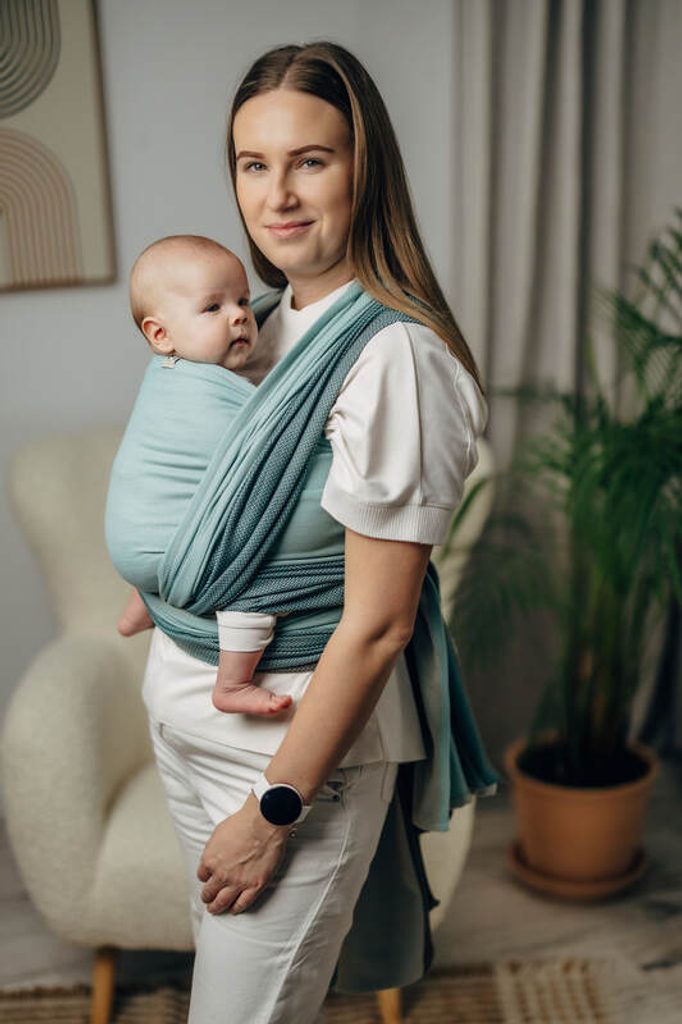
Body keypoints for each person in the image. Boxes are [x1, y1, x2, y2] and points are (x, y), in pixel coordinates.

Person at [129, 41, 498, 1024]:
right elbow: (195, 492)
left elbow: (378, 625)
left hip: (287, 761)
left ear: (364, 171)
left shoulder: (395, 359)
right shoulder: (253, 322)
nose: (277, 194)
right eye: (254, 164)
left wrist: (274, 811)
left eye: (311, 160)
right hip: (185, 718)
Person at [108, 233, 291, 717]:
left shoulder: (166, 376)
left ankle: (140, 606)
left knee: (179, 513)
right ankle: (233, 682)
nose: (239, 316)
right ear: (160, 335)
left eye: (243, 301)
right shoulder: (207, 400)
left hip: (136, 537)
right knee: (257, 575)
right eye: (213, 307)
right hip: (163, 549)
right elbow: (273, 450)